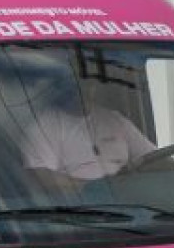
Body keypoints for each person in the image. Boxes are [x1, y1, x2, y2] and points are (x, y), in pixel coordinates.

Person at [17, 74, 158, 180]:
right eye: (78, 86)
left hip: (130, 203)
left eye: (89, 85)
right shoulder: (44, 126)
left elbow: (153, 159)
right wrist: (96, 188)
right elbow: (43, 178)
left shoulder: (114, 119)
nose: (85, 91)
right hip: (80, 210)